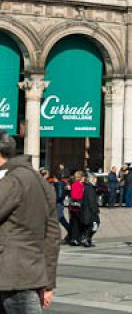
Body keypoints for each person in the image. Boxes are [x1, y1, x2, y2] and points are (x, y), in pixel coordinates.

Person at [0, 130, 60, 313]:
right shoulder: (40, 181)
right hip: (31, 275)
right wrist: (48, 282)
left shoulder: (12, 180)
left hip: (9, 276)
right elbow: (52, 236)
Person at [80, 173, 100, 247]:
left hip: (86, 211)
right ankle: (87, 239)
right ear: (93, 179)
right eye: (95, 179)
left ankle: (87, 239)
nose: (96, 180)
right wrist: (95, 211)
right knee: (95, 225)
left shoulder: (87, 187)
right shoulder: (90, 188)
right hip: (90, 212)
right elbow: (91, 201)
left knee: (89, 226)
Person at [68, 170, 85, 245]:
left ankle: (74, 238)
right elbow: (78, 196)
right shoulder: (79, 185)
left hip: (73, 206)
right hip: (78, 206)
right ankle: (77, 238)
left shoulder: (74, 184)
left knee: (74, 223)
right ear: (80, 177)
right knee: (78, 223)